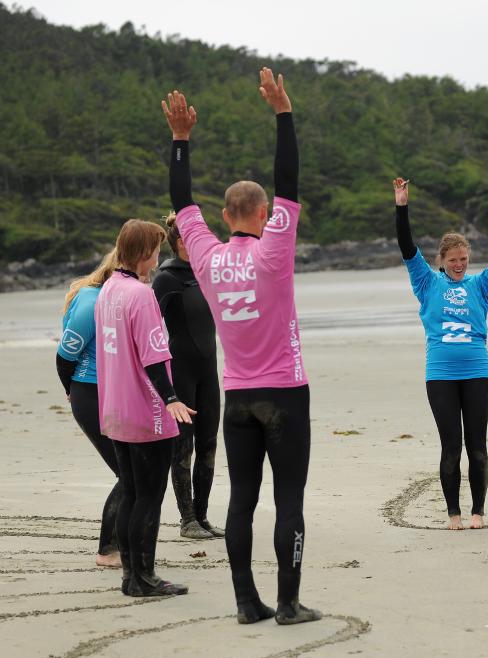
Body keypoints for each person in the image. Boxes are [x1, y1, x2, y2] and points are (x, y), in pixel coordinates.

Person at [162, 68, 321, 625]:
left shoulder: (203, 256)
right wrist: (283, 112)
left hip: (238, 397)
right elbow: (290, 181)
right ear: (261, 215)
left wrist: (181, 141)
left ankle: (245, 603)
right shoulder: (274, 249)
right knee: (290, 502)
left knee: (242, 501)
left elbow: (181, 201)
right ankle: (288, 603)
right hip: (286, 393)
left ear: (224, 216)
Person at [393, 178, 488, 530]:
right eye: (453, 260)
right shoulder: (426, 282)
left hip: (478, 371)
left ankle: (478, 512)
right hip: (441, 375)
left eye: (464, 259)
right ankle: (454, 514)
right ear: (442, 260)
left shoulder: (480, 284)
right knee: (451, 447)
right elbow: (406, 246)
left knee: (477, 445)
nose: (460, 264)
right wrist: (402, 207)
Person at [95, 219, 195, 597]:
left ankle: (130, 577)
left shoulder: (108, 290)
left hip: (115, 411)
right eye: (155, 250)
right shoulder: (140, 295)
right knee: (148, 498)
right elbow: (154, 358)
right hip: (145, 411)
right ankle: (146, 577)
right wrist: (171, 399)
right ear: (143, 254)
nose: (158, 257)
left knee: (132, 494)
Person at [152, 215, 224, 540]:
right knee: (183, 449)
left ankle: (203, 516)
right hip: (180, 372)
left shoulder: (207, 273)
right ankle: (187, 520)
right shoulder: (166, 278)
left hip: (209, 372)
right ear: (182, 243)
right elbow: (149, 329)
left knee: (208, 444)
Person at [56, 250, 122, 568]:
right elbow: (65, 355)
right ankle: (108, 550)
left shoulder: (119, 296)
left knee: (132, 473)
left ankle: (121, 544)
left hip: (113, 392)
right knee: (129, 474)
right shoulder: (92, 300)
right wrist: (71, 390)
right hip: (89, 393)